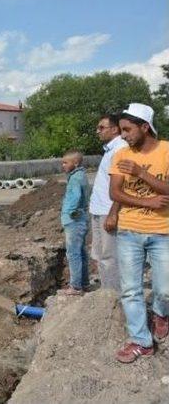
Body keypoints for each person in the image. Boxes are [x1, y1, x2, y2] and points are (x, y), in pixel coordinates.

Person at [109, 103, 169, 363]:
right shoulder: (121, 155)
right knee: (131, 289)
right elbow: (115, 193)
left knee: (165, 289)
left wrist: (141, 173)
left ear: (145, 127)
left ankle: (161, 313)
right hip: (129, 231)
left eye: (127, 129)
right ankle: (141, 341)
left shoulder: (166, 151)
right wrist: (148, 202)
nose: (123, 135)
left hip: (162, 232)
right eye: (122, 130)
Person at [88, 114, 128, 291]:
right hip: (98, 209)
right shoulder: (110, 150)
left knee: (110, 256)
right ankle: (106, 294)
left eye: (101, 127)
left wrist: (113, 213)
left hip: (107, 211)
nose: (98, 131)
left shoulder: (121, 149)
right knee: (101, 256)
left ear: (114, 129)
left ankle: (114, 298)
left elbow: (124, 185)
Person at [60, 150, 89, 296]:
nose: (63, 165)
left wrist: (69, 212)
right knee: (81, 252)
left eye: (66, 162)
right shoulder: (80, 175)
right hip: (81, 219)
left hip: (74, 220)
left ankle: (76, 286)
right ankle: (84, 283)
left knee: (73, 253)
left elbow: (75, 197)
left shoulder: (76, 178)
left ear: (75, 163)